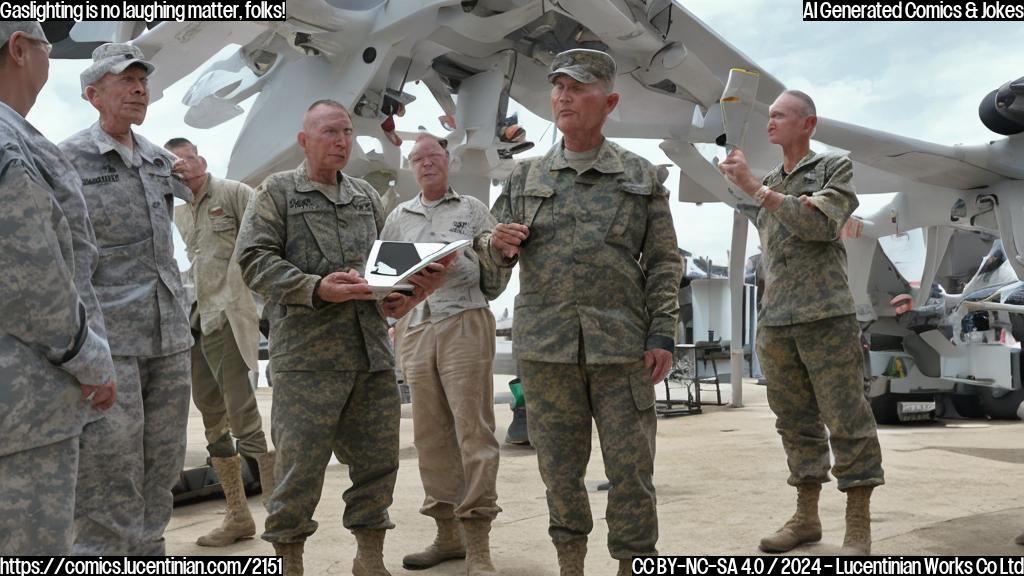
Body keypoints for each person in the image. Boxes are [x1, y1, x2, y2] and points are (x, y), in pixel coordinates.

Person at [476, 49, 683, 576]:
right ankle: (571, 564)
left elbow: (662, 261)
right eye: (558, 88)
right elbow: (490, 259)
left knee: (632, 472)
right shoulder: (524, 178)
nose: (564, 97)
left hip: (622, 350)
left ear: (609, 101)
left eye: (578, 87)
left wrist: (663, 331)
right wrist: (495, 244)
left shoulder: (641, 176)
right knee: (559, 473)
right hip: (548, 351)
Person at [235, 99, 451, 576]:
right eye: (330, 132)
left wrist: (406, 293)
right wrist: (315, 288)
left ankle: (369, 560)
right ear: (304, 140)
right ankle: (290, 562)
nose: (342, 141)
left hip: (370, 354)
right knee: (298, 469)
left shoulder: (364, 197)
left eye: (348, 132)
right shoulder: (277, 193)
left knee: (377, 465)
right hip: (307, 360)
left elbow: (382, 267)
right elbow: (253, 260)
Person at [718, 89, 884, 556]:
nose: (770, 123)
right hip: (777, 320)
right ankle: (807, 517)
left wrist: (756, 189)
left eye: (780, 116)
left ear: (808, 124)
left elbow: (818, 225)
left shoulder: (835, 168)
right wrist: (749, 185)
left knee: (847, 417)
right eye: (768, 115)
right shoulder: (769, 178)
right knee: (794, 423)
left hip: (825, 316)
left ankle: (858, 524)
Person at [60, 43, 194, 555]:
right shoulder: (65, 159)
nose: (139, 88)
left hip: (170, 338)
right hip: (109, 344)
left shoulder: (161, 159)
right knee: (108, 473)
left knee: (163, 465)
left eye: (143, 80)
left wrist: (199, 184)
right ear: (94, 94)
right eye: (126, 81)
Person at [0, 21, 117, 556]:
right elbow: (32, 282)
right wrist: (90, 360)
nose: (51, 56)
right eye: (47, 45)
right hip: (25, 411)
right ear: (19, 49)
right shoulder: (11, 146)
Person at [380, 134, 504, 575]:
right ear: (411, 168)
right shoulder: (398, 215)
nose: (427, 163)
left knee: (474, 430)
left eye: (434, 156)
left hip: (463, 320)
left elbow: (496, 271)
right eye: (418, 158)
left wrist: (456, 263)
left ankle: (478, 542)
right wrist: (393, 316)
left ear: (448, 163)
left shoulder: (471, 209)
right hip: (415, 326)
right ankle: (447, 534)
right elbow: (387, 276)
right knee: (430, 436)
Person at [166, 137, 275, 547]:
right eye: (173, 164)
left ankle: (278, 514)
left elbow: (265, 241)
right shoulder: (178, 212)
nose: (181, 168)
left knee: (244, 415)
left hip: (230, 314)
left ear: (201, 161)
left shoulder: (233, 193)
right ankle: (237, 516)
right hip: (197, 320)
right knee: (211, 417)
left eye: (187, 160)